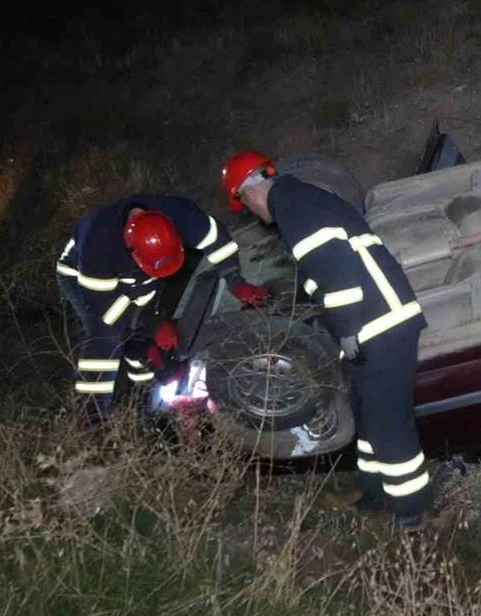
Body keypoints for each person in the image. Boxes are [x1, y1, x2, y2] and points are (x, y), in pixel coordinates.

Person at [221, 151, 432, 531]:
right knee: (368, 418)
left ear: (249, 193)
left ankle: (410, 511)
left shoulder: (295, 207)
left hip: (379, 324)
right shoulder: (300, 199)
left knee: (388, 424)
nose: (251, 213)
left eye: (245, 204)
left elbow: (338, 269)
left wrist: (348, 329)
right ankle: (373, 492)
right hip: (376, 321)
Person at [56, 194, 268, 421]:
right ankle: (92, 417)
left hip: (138, 266)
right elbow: (103, 307)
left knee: (145, 324)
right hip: (79, 274)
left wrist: (236, 281)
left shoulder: (182, 215)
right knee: (108, 334)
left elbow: (219, 243)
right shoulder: (98, 246)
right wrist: (154, 323)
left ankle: (148, 391)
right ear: (132, 253)